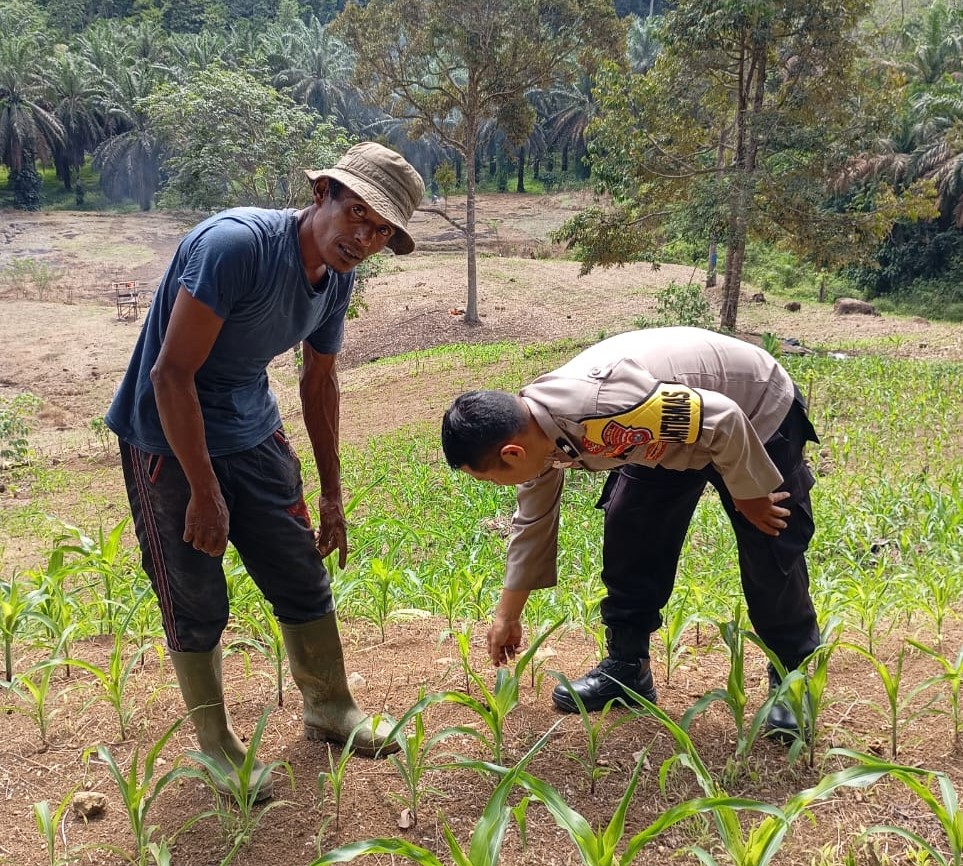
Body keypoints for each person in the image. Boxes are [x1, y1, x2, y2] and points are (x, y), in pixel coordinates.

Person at [105, 142, 425, 799]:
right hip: (165, 435)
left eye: (380, 229)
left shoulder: (337, 279)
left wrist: (333, 493)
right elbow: (171, 374)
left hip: (250, 428)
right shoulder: (236, 247)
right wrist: (202, 488)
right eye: (356, 214)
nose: (363, 237)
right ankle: (217, 746)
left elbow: (319, 381)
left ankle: (329, 707)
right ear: (322, 196)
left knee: (297, 567)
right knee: (194, 592)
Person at [441, 326, 821, 739]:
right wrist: (507, 616)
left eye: (490, 480)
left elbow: (723, 418)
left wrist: (748, 492)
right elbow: (532, 524)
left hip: (753, 408)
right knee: (631, 527)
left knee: (770, 544)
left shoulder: (603, 408)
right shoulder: (536, 434)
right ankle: (628, 667)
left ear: (511, 454)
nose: (499, 487)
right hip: (668, 435)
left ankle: (792, 679)